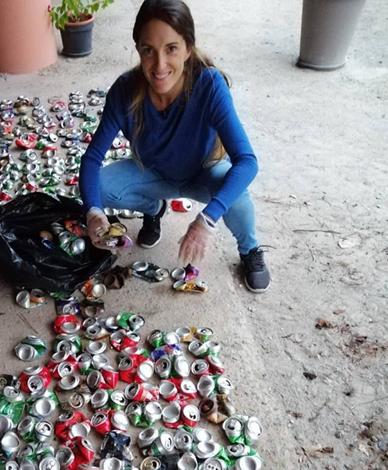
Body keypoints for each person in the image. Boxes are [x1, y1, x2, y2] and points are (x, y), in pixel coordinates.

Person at [79, 0, 271, 292]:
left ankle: (250, 249)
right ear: (138, 50)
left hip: (202, 172)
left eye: (171, 48)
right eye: (148, 51)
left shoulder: (209, 85)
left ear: (188, 48)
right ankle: (153, 209)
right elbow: (92, 159)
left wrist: (207, 220)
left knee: (236, 193)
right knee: (101, 187)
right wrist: (93, 211)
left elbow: (247, 161)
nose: (159, 66)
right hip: (153, 173)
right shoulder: (124, 90)